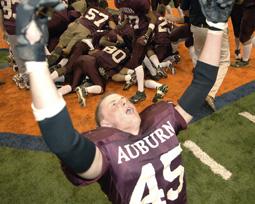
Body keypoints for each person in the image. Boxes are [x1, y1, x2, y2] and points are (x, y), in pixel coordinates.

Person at [15, 0, 234, 203]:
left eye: (122, 99)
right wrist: (35, 61)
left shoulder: (161, 120)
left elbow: (203, 82)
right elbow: (64, 143)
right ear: (105, 126)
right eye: (113, 105)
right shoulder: (106, 152)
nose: (123, 102)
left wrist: (216, 27)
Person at [181, 0, 231, 112]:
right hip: (216, 28)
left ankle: (198, 93)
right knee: (223, 61)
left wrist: (197, 17)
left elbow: (184, 10)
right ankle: (210, 94)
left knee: (201, 60)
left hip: (198, 28)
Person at [230, 0, 255, 67]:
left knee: (245, 34)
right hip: (245, 6)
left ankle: (245, 61)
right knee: (245, 32)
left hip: (251, 6)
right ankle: (240, 55)